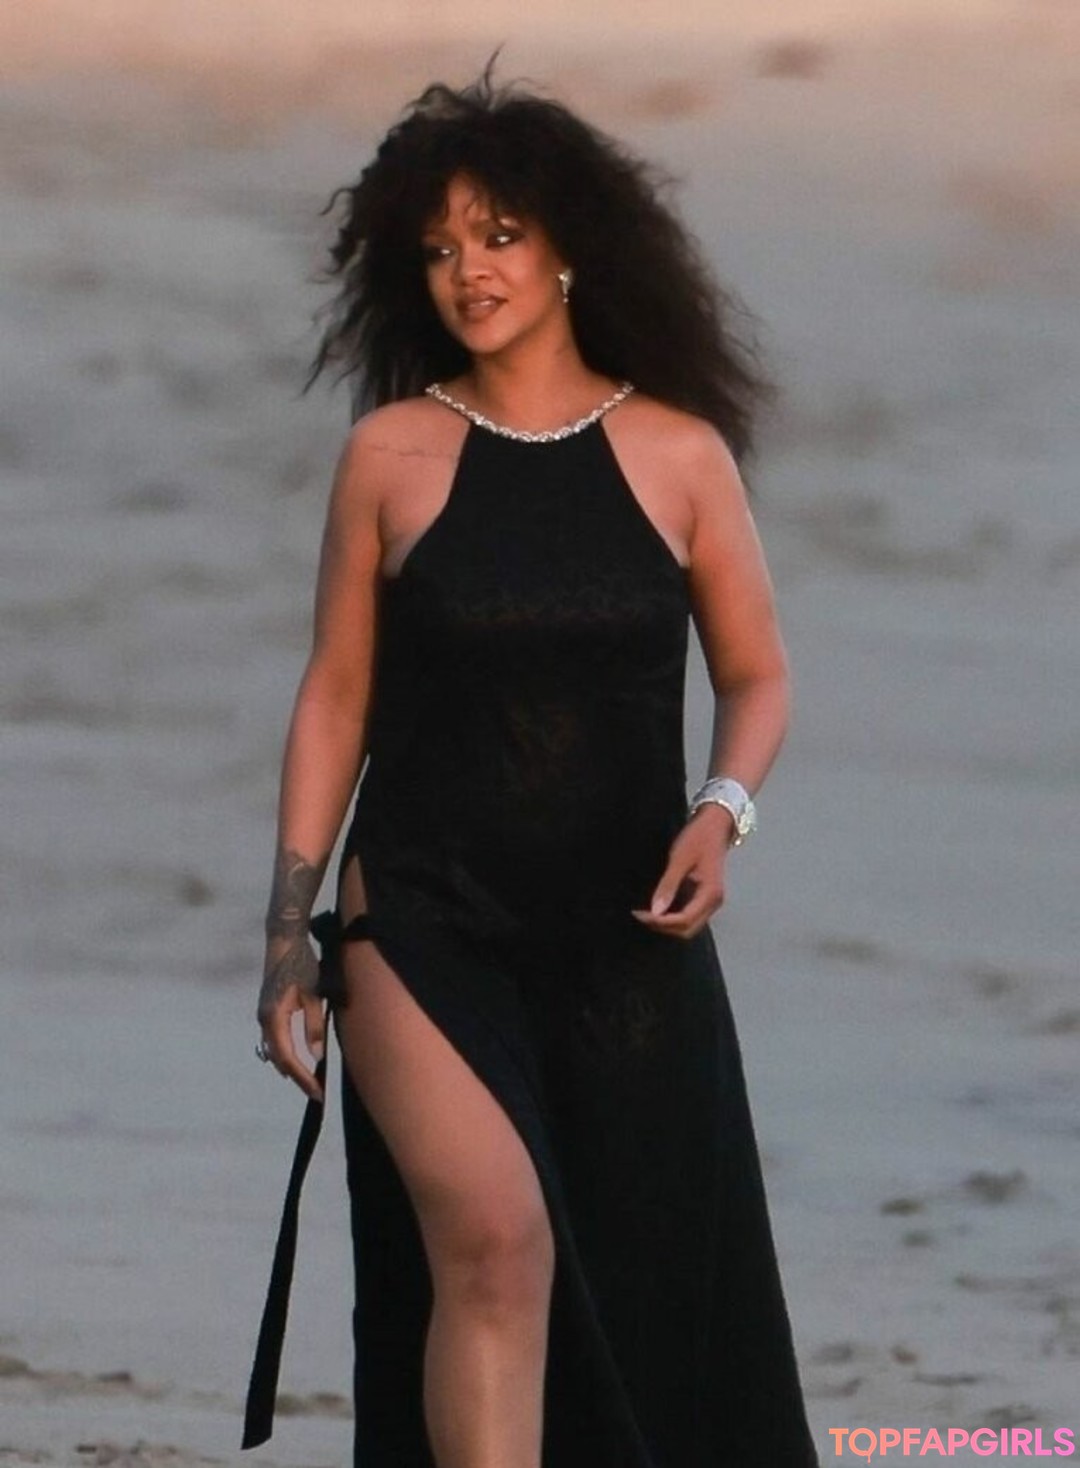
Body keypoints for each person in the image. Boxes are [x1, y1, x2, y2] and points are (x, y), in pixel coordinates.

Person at [243, 60, 820, 1468]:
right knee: (496, 1243)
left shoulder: (680, 456)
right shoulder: (390, 456)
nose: (470, 272)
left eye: (499, 235)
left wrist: (723, 811)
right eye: (440, 249)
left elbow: (757, 674)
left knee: (646, 1280)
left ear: (570, 250)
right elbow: (337, 693)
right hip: (422, 916)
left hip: (627, 926)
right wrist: (286, 932)